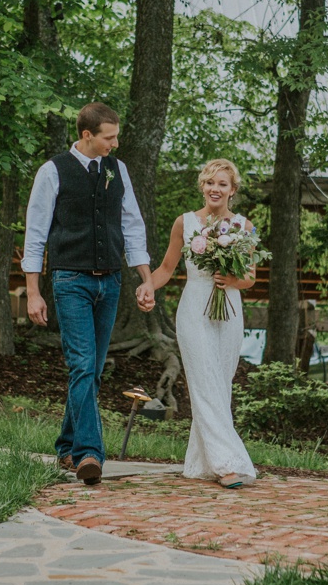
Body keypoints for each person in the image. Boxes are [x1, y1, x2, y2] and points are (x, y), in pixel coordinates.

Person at [22, 102, 157, 486]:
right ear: (87, 136)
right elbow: (35, 236)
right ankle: (89, 454)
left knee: (93, 371)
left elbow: (132, 225)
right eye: (108, 137)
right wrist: (33, 292)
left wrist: (144, 279)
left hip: (110, 282)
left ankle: (66, 445)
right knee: (82, 365)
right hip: (71, 281)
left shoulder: (119, 170)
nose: (115, 144)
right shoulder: (53, 172)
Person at [146, 159, 260, 489]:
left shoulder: (243, 226)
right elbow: (167, 268)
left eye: (222, 184)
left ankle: (200, 463)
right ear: (202, 186)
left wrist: (232, 280)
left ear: (232, 190)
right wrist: (146, 286)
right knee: (204, 383)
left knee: (220, 386)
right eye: (210, 182)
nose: (215, 188)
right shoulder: (184, 223)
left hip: (229, 311)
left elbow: (250, 277)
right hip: (194, 307)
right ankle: (228, 465)